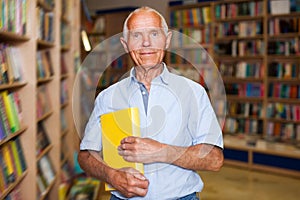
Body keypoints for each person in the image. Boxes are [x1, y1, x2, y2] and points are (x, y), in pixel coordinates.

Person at [78, 6, 224, 200]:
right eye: (136, 35)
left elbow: (214, 159)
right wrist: (111, 175)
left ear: (167, 40)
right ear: (125, 44)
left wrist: (162, 152)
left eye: (154, 34)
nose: (146, 43)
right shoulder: (107, 97)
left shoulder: (193, 93)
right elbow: (86, 156)